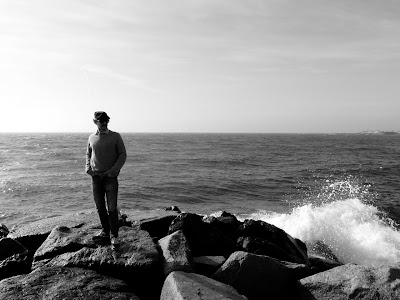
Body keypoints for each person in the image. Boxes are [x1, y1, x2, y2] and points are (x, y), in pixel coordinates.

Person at [85, 111, 127, 248]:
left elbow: (122, 154)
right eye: (101, 121)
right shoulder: (91, 137)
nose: (104, 123)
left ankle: (114, 236)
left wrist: (114, 171)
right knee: (100, 208)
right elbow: (88, 154)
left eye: (106, 121)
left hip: (110, 178)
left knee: (112, 208)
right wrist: (88, 168)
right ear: (94, 122)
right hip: (96, 178)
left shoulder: (115, 136)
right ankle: (105, 232)